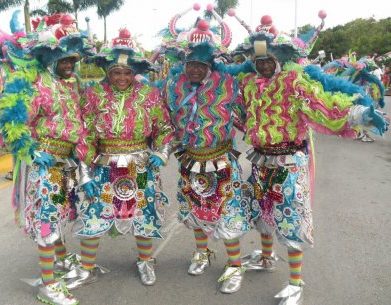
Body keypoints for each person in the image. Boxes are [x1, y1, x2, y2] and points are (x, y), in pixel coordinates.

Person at [237, 37, 388, 304]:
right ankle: (267, 257)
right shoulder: (249, 86)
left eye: (267, 61)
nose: (263, 66)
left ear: (279, 61)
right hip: (260, 162)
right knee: (263, 213)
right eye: (258, 61)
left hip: (289, 164)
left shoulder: (294, 83)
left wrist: (360, 114)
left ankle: (296, 283)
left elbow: (324, 107)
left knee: (291, 221)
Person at [0, 16, 98, 305]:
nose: (69, 65)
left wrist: (83, 169)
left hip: (65, 162)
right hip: (43, 162)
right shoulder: (34, 82)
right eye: (64, 60)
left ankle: (63, 259)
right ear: (50, 57)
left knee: (58, 214)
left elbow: (77, 126)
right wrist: (28, 151)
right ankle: (48, 285)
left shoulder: (72, 84)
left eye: (72, 60)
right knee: (46, 219)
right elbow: (12, 120)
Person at [72, 38, 175, 287]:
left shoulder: (149, 95)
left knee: (143, 212)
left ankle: (145, 260)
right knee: (95, 211)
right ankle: (87, 267)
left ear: (135, 73)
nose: (121, 77)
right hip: (105, 167)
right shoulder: (93, 95)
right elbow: (84, 135)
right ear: (108, 73)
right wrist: (85, 174)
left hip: (140, 167)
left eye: (127, 72)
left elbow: (164, 128)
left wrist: (161, 153)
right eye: (116, 72)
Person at [163, 41, 253, 294]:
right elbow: (164, 120)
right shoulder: (173, 88)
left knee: (227, 212)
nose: (194, 70)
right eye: (190, 64)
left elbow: (248, 116)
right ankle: (202, 253)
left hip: (222, 161)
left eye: (200, 65)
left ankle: (235, 265)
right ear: (183, 65)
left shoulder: (228, 86)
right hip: (189, 161)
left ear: (209, 66)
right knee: (195, 209)